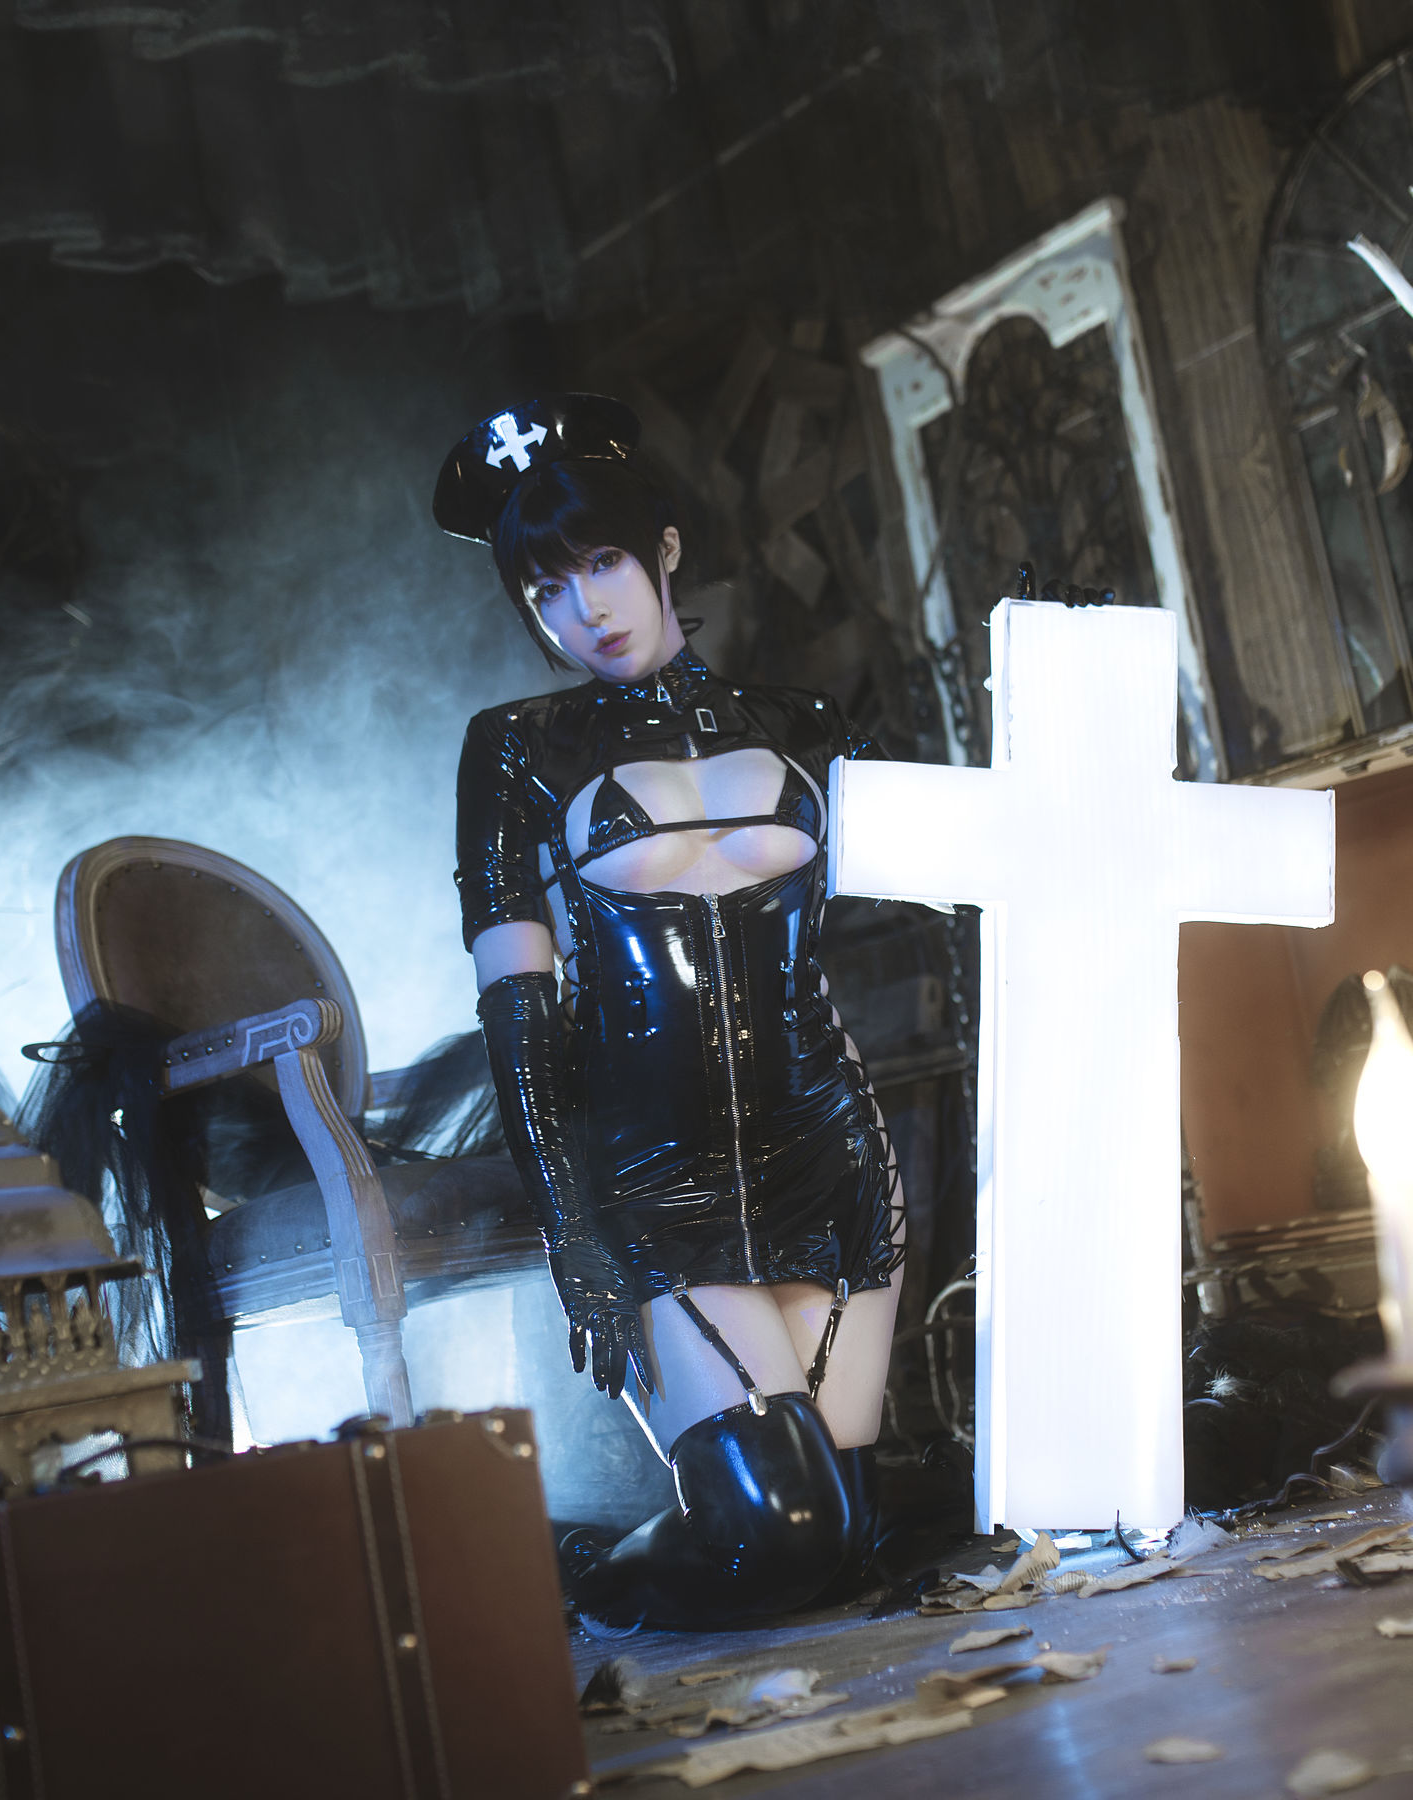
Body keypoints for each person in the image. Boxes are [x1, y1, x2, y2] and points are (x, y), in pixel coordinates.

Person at [438, 395, 905, 1630]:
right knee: (787, 1535)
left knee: (857, 1545)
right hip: (660, 1184)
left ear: (665, 549)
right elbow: (517, 1011)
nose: (583, 609)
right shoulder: (515, 750)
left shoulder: (805, 725)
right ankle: (580, 1581)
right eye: (545, 589)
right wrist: (571, 1230)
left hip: (830, 1158)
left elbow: (945, 884)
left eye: (601, 562)